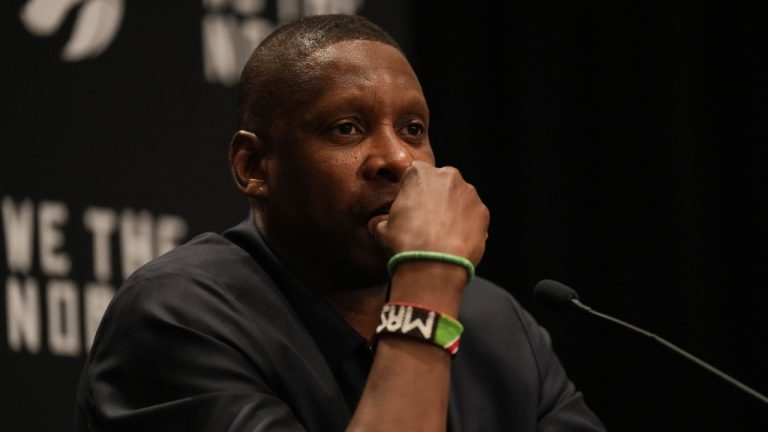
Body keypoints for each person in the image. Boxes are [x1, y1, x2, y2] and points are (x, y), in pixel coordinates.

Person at [75, 14, 606, 431]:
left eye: (413, 128)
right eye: (347, 128)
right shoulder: (178, 317)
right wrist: (427, 280)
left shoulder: (498, 327)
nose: (398, 159)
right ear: (254, 167)